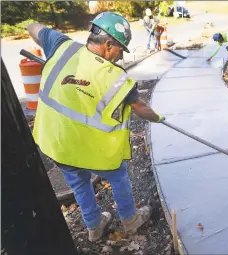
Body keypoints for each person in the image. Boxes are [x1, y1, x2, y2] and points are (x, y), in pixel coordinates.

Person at [26, 12, 165, 242]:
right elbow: (140, 108)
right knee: (118, 175)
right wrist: (159, 118)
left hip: (56, 143)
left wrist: (45, 39)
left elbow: (33, 26)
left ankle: (94, 227)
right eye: (121, 49)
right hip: (90, 150)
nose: (120, 56)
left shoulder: (62, 47)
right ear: (109, 44)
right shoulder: (114, 77)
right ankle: (130, 220)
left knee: (79, 183)